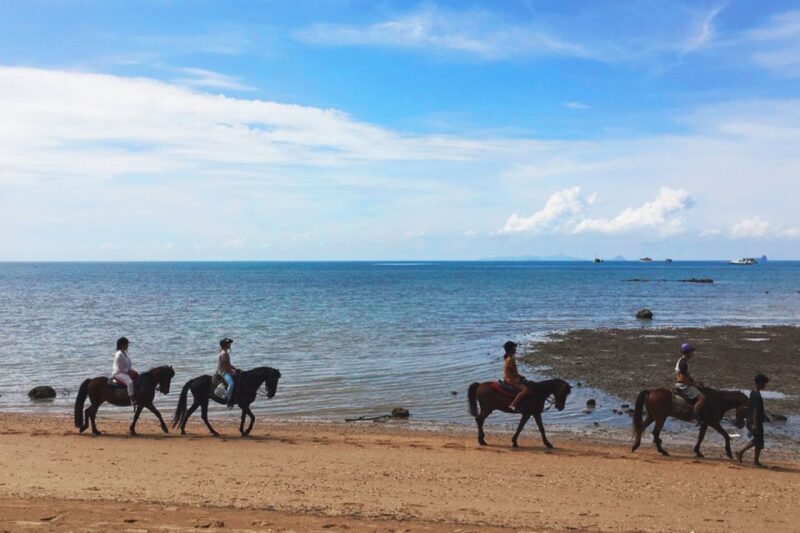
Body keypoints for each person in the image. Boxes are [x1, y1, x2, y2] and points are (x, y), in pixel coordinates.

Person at [737, 374, 771, 468]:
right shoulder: (756, 395)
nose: (765, 386)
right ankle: (742, 453)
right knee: (758, 441)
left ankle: (754, 460)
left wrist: (765, 416)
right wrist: (755, 424)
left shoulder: (754, 393)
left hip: (753, 420)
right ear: (759, 383)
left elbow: (757, 408)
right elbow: (755, 410)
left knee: (758, 441)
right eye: (764, 383)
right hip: (753, 421)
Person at [675, 342, 705, 423]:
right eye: (691, 352)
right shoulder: (683, 363)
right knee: (702, 398)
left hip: (685, 383)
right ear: (687, 353)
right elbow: (682, 379)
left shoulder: (683, 361)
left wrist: (696, 382)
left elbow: (686, 376)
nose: (693, 354)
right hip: (684, 386)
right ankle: (693, 417)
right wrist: (695, 384)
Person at [503, 341, 529, 412]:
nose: (515, 349)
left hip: (509, 377)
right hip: (510, 379)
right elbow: (512, 373)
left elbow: (513, 372)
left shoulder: (509, 357)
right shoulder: (510, 359)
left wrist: (520, 376)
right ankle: (513, 404)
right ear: (511, 349)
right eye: (514, 348)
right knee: (525, 390)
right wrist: (518, 379)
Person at [112, 337, 137, 408]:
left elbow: (128, 365)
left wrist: (133, 370)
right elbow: (121, 368)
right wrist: (129, 371)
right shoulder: (119, 354)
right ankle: (132, 400)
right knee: (130, 382)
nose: (128, 346)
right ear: (122, 345)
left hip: (125, 372)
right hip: (118, 373)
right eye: (126, 344)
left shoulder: (125, 353)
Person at [217, 338, 239, 408]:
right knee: (231, 384)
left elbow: (229, 365)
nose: (230, 344)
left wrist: (235, 369)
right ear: (225, 345)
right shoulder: (224, 354)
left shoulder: (225, 353)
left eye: (229, 343)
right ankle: (228, 399)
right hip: (223, 372)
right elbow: (226, 367)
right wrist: (233, 372)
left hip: (225, 370)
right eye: (228, 343)